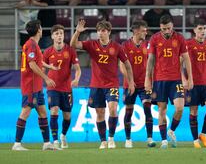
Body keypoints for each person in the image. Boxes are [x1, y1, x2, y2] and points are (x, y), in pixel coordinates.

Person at [70, 20, 135, 149]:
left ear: (109, 32)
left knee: (113, 109)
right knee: (100, 113)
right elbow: (72, 45)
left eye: (103, 31)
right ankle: (103, 141)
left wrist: (131, 82)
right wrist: (77, 32)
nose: (100, 33)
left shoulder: (117, 47)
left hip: (112, 84)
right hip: (96, 85)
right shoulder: (91, 44)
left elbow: (127, 65)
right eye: (99, 31)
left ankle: (111, 138)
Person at [144, 14, 193, 148]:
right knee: (162, 110)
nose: (166, 31)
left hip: (176, 80)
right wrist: (148, 79)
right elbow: (151, 60)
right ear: (160, 27)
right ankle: (164, 140)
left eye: (169, 28)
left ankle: (171, 130)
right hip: (160, 80)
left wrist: (190, 78)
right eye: (164, 29)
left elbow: (186, 59)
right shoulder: (154, 39)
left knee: (180, 108)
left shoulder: (179, 38)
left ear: (172, 26)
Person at [12, 20, 58, 151]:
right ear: (38, 30)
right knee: (26, 111)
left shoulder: (33, 44)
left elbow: (38, 61)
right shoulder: (31, 44)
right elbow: (32, 65)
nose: (42, 29)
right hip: (30, 85)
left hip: (36, 86)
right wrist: (46, 78)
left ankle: (47, 143)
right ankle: (17, 144)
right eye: (41, 27)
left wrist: (49, 66)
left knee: (43, 112)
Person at [43, 24, 81, 149]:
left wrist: (76, 79)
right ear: (52, 36)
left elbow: (78, 69)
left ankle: (63, 135)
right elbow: (42, 69)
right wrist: (45, 79)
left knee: (67, 116)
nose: (59, 36)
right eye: (57, 34)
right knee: (54, 111)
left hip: (66, 88)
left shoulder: (70, 50)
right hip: (52, 88)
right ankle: (54, 141)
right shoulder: (47, 52)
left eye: (61, 33)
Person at [119, 20, 156, 148]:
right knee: (129, 111)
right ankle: (128, 139)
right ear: (135, 31)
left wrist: (150, 80)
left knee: (147, 108)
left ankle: (150, 138)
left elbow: (152, 64)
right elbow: (122, 65)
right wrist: (130, 81)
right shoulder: (125, 45)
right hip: (130, 85)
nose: (146, 32)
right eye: (143, 30)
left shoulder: (148, 45)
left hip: (144, 84)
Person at [185, 19, 206, 148]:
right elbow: (180, 62)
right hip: (193, 84)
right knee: (193, 112)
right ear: (194, 30)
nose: (203, 31)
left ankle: (203, 134)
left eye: (204, 28)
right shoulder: (187, 44)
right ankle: (195, 141)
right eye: (200, 28)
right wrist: (184, 79)